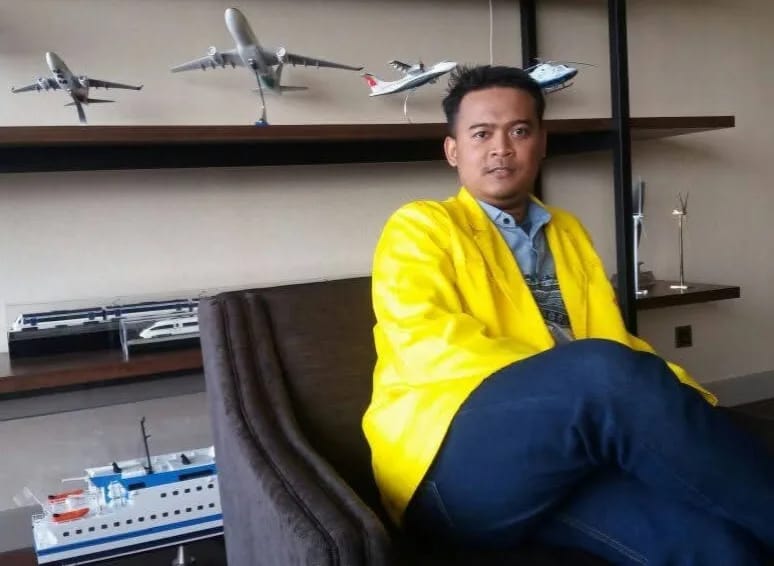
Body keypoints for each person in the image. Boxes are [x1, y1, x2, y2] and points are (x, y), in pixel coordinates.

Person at [362, 65, 774, 565]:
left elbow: (612, 338)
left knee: (720, 547)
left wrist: (685, 400)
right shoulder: (420, 227)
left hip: (565, 451)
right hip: (446, 462)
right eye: (481, 134)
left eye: (519, 131)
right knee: (600, 371)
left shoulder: (566, 231)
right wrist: (572, 386)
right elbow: (427, 347)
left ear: (541, 143)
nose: (501, 148)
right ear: (453, 151)